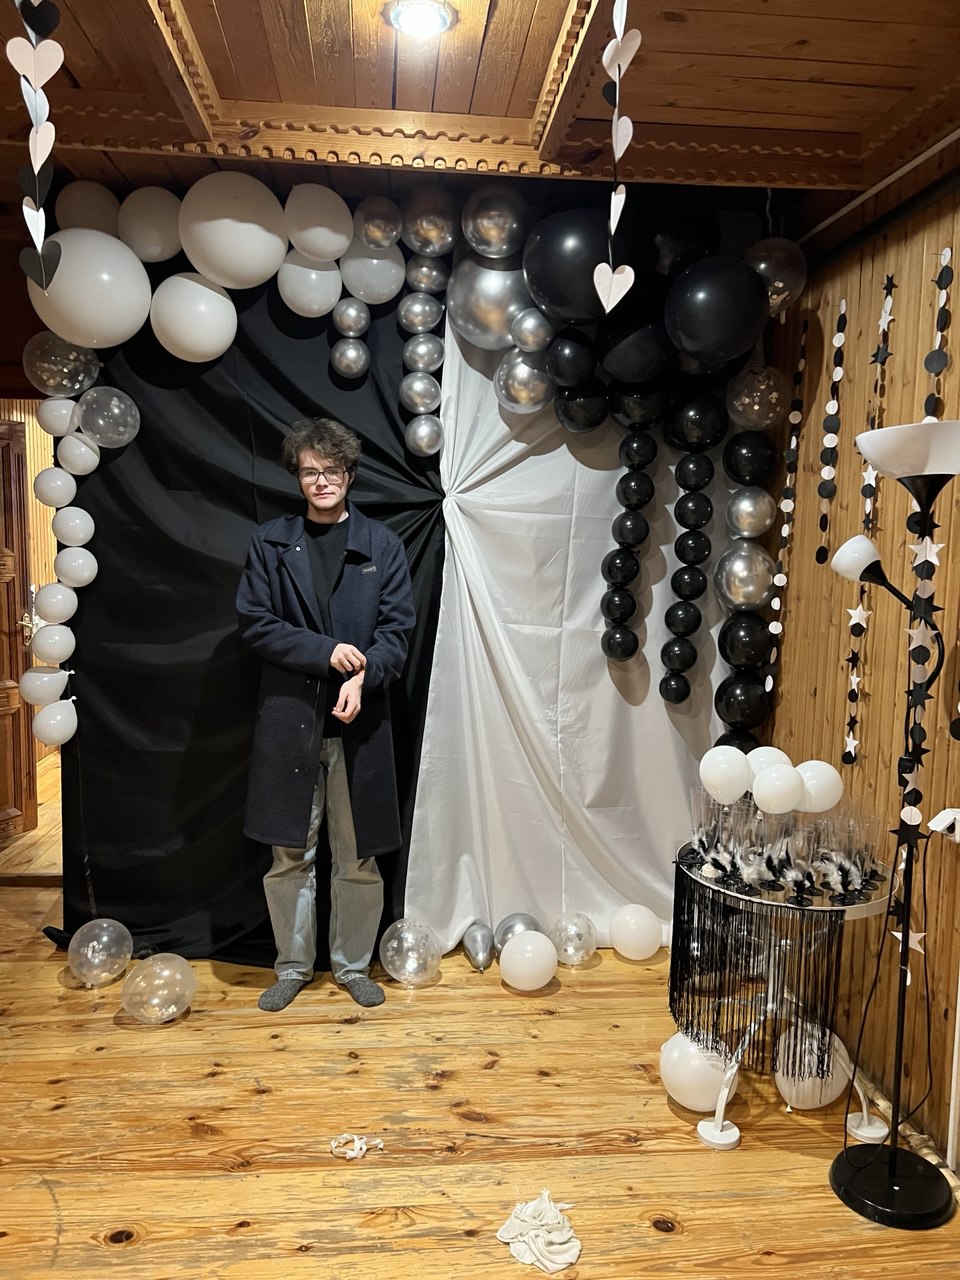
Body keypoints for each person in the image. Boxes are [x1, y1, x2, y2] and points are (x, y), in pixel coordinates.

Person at [237, 417, 415, 1011]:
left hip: (360, 723)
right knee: (289, 853)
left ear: (349, 474)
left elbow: (398, 631)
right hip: (289, 717)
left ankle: (352, 965)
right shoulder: (270, 542)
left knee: (358, 853)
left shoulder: (381, 545)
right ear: (298, 476)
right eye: (310, 471)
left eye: (331, 470)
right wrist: (325, 651)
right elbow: (255, 622)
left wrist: (366, 674)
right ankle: (292, 967)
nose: (321, 481)